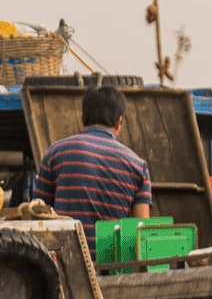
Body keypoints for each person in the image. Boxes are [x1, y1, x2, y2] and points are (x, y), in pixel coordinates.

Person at [31, 84, 152, 256]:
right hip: (114, 269)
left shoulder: (55, 153)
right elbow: (141, 233)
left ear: (82, 119)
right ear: (119, 122)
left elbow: (38, 215)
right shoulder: (138, 166)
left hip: (66, 264)